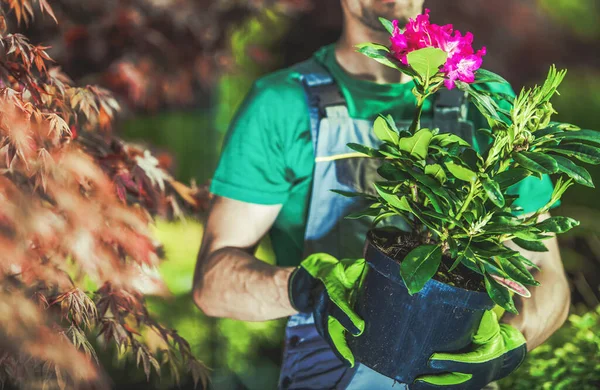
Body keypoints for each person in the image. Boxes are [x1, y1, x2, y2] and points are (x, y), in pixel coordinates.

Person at [192, 0, 571, 388]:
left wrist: (510, 342)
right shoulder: (281, 105)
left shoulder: (489, 106)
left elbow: (546, 274)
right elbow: (213, 284)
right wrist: (307, 287)